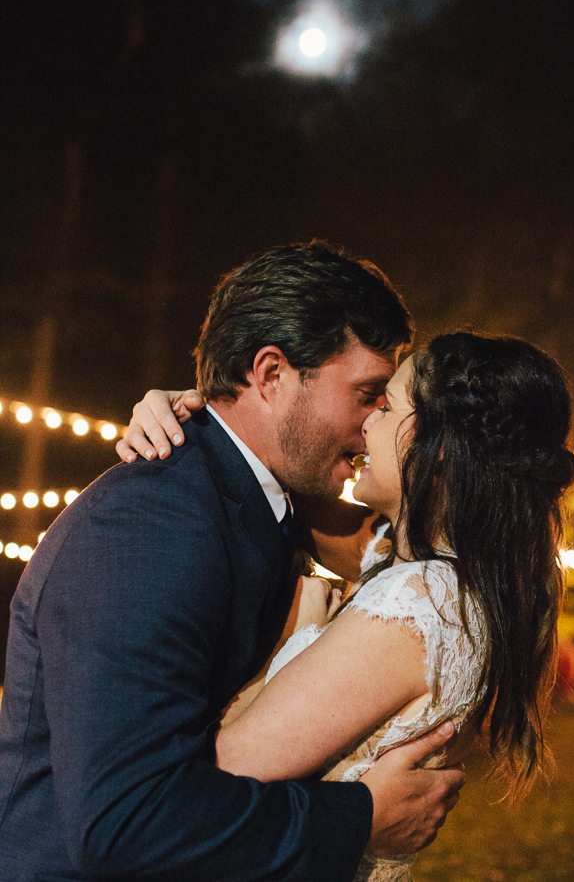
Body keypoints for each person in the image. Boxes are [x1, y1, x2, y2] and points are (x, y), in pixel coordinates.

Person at [0, 243, 465, 882]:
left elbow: (398, 542)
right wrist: (358, 818)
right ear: (271, 374)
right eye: (366, 395)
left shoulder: (263, 495)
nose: (371, 428)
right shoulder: (153, 522)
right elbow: (124, 822)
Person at [124, 331, 574, 881]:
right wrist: (192, 420)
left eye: (386, 407)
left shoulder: (418, 601)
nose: (366, 422)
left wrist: (299, 630)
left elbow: (217, 774)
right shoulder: (444, 573)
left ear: (438, 447)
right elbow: (273, 477)